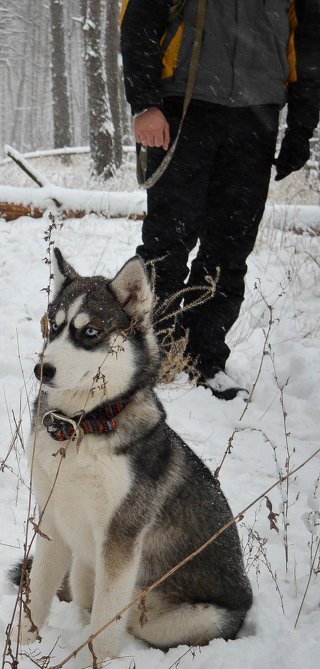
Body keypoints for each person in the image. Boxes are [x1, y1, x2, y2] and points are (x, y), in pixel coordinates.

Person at [120, 0, 319, 399]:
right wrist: (145, 103)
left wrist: (301, 126)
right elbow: (140, 19)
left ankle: (205, 359)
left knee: (230, 247)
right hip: (184, 106)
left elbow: (309, 41)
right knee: (167, 243)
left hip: (256, 115)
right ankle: (151, 355)